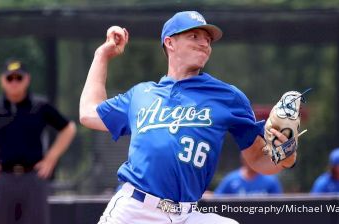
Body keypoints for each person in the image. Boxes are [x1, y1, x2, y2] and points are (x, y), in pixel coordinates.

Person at [80, 11, 296, 224]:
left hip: (186, 215)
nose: (204, 43)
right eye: (194, 36)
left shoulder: (228, 97)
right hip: (135, 210)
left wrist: (286, 155)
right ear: (170, 42)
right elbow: (89, 113)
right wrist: (102, 55)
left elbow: (258, 158)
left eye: (208, 39)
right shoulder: (141, 95)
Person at [0, 59, 76, 224]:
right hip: (2, 177)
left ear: (27, 79)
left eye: (18, 78)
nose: (14, 82)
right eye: (9, 78)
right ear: (2, 80)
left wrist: (52, 157)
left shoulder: (40, 106)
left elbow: (68, 128)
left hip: (34, 178)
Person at [214, 157, 283, 195]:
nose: (250, 161)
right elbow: (218, 199)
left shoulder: (270, 180)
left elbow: (277, 206)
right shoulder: (231, 179)